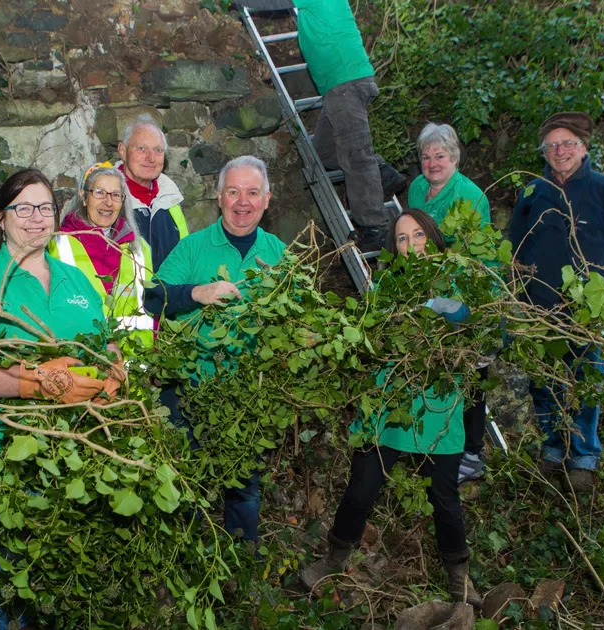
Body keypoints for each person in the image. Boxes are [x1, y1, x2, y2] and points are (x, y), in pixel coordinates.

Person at [299, 208, 481, 608]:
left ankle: (459, 580)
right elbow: (374, 340)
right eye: (401, 238)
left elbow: (480, 336)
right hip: (388, 406)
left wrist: (457, 314)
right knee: (361, 489)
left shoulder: (460, 279)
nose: (411, 244)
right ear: (393, 248)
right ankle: (334, 558)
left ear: (432, 238)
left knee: (445, 501)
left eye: (418, 235)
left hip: (438, 407)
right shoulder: (388, 285)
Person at [145, 155, 287, 543]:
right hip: (188, 389)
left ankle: (240, 563)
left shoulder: (279, 253)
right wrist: (195, 292)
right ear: (219, 198)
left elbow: (296, 320)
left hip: (246, 394)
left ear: (267, 199)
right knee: (184, 482)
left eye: (253, 193)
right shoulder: (193, 248)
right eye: (234, 192)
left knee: (243, 485)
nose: (243, 202)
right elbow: (152, 297)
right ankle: (188, 559)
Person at [507, 112, 604, 493]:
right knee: (545, 380)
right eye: (552, 145)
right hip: (541, 306)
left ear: (584, 147)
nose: (559, 151)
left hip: (587, 310)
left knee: (586, 381)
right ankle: (553, 447)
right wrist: (521, 291)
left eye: (567, 143)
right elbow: (516, 242)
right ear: (544, 153)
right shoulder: (533, 192)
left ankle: (583, 456)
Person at [0, 168, 125, 454]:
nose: (37, 218)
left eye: (45, 207)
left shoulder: (76, 278)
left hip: (78, 444)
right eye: (23, 208)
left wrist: (114, 372)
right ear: (0, 219)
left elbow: (108, 341)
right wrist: (33, 384)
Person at [233, 0, 407, 252]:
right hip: (338, 86)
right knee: (324, 152)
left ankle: (375, 228)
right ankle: (382, 174)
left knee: (356, 157)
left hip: (345, 81)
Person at [406, 123, 492, 484]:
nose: (432, 162)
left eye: (440, 155)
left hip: (463, 295)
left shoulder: (470, 196)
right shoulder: (415, 188)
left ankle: (471, 454)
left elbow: (479, 258)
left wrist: (459, 302)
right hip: (426, 293)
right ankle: (434, 445)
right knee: (435, 369)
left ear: (454, 157)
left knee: (470, 371)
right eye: (426, 156)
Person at [50, 162, 155, 353]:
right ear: (84, 197)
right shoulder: (56, 245)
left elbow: (152, 307)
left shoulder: (140, 249)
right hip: (82, 364)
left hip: (137, 370)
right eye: (99, 192)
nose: (108, 202)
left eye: (115, 195)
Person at [116, 115, 190, 271]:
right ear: (122, 151)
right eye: (141, 148)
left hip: (170, 294)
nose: (151, 158)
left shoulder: (170, 198)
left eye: (158, 150)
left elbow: (185, 259)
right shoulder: (106, 198)